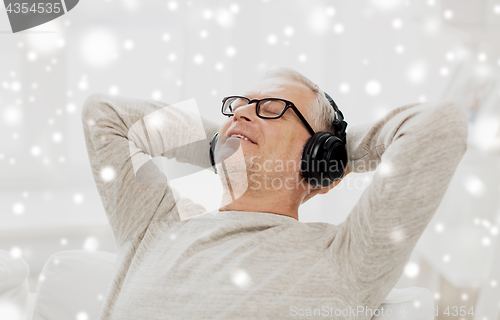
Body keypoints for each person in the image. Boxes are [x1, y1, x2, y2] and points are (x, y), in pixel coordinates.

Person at [82, 67, 468, 319]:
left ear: (319, 154)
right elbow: (103, 114)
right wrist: (223, 146)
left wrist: (333, 155)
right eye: (238, 107)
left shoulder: (347, 257)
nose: (241, 114)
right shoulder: (152, 226)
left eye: (271, 108)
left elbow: (440, 124)